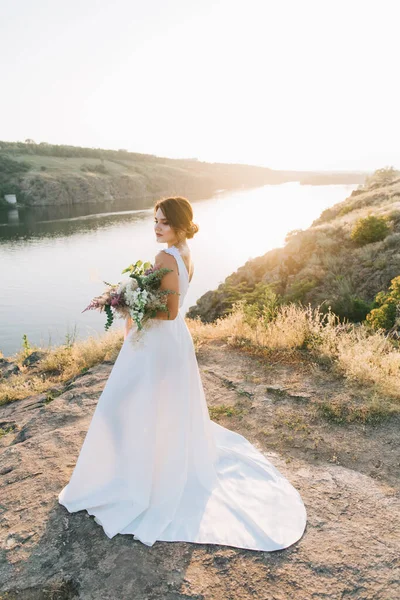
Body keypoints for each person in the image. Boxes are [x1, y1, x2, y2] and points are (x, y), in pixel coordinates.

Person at [58, 196, 307, 551]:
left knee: (117, 406)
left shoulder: (164, 257)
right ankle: (146, 467)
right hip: (173, 343)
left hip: (157, 345)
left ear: (178, 224)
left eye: (163, 222)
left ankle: (128, 477)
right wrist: (136, 298)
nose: (157, 227)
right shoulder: (186, 253)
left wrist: (130, 304)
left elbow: (170, 312)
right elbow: (173, 303)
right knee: (160, 408)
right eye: (154, 221)